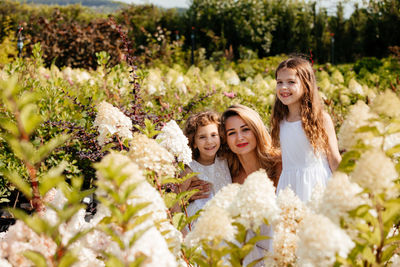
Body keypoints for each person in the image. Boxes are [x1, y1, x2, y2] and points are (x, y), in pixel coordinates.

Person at [271, 56, 342, 203]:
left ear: (306, 85)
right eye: (279, 82)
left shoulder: (321, 119)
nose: (283, 87)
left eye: (291, 82)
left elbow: (334, 159)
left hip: (318, 184)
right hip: (289, 186)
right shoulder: (280, 121)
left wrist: (347, 187)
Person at [220, 104, 281, 266]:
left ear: (256, 130)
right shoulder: (229, 176)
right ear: (226, 140)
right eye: (232, 133)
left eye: (245, 129)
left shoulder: (280, 165)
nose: (239, 138)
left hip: (280, 253)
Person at [181, 111, 232, 229]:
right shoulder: (190, 169)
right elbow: (175, 201)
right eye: (202, 137)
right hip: (200, 223)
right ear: (194, 142)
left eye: (214, 135)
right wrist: (182, 231)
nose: (209, 141)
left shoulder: (225, 160)